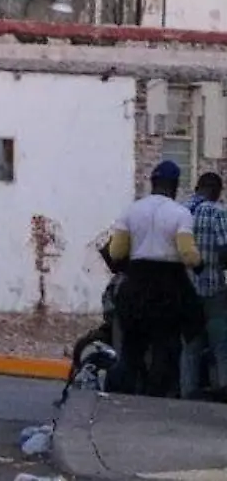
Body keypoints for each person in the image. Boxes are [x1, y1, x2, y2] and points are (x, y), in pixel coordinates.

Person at [105, 160, 204, 398]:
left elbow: (116, 252)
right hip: (168, 289)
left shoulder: (131, 211)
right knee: (166, 347)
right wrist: (200, 264)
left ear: (152, 183)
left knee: (131, 347)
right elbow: (189, 255)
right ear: (176, 184)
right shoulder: (181, 214)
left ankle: (127, 393)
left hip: (136, 285)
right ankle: (157, 397)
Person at [182, 171, 227, 398]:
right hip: (213, 289)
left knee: (190, 345)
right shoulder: (217, 213)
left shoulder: (181, 211)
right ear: (217, 191)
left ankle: (187, 393)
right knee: (221, 344)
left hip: (186, 291)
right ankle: (222, 389)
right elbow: (225, 247)